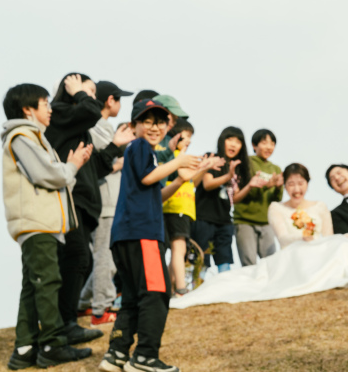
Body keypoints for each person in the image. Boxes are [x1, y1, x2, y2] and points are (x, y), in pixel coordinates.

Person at [170, 163, 348, 309]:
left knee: (340, 246)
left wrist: (326, 238)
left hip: (321, 248)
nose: (296, 188)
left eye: (301, 183)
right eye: (291, 184)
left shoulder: (320, 206)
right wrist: (304, 237)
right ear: (285, 186)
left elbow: (328, 236)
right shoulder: (276, 208)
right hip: (294, 251)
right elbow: (282, 239)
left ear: (308, 184)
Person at [98, 99, 203, 372]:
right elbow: (148, 178)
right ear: (134, 126)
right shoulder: (142, 147)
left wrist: (180, 179)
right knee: (156, 293)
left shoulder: (139, 151)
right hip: (142, 233)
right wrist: (179, 160)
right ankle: (145, 357)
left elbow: (155, 191)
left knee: (132, 296)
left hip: (125, 235)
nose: (154, 127)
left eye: (159, 121)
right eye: (147, 121)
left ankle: (116, 355)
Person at [1, 83, 93, 369]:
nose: (50, 108)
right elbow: (48, 176)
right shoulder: (21, 137)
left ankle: (25, 349)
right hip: (37, 224)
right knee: (48, 281)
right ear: (28, 109)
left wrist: (68, 168)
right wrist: (73, 165)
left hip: (41, 224)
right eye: (44, 103)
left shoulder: (33, 138)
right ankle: (53, 344)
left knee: (33, 285)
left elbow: (56, 179)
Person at [45, 73, 135, 344]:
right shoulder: (61, 113)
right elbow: (91, 110)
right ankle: (61, 327)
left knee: (79, 262)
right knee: (76, 260)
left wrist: (115, 146)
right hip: (69, 200)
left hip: (83, 203)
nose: (93, 97)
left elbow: (96, 166)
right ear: (71, 90)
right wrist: (77, 93)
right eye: (90, 90)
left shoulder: (77, 125)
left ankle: (65, 325)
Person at [78, 81, 133, 328]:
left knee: (104, 257)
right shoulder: (102, 129)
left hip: (103, 202)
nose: (120, 105)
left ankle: (83, 304)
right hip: (104, 202)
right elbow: (99, 164)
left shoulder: (96, 127)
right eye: (119, 99)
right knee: (105, 258)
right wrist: (119, 161)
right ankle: (100, 310)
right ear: (110, 100)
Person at [162, 119, 224, 296]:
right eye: (186, 136)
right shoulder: (173, 157)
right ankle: (181, 289)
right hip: (175, 208)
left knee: (178, 250)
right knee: (179, 248)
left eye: (190, 137)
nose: (189, 141)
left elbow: (193, 182)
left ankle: (170, 287)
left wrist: (204, 168)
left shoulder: (181, 159)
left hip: (184, 209)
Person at [192, 126, 266, 272]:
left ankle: (224, 294)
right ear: (222, 141)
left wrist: (249, 186)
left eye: (238, 141)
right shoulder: (212, 158)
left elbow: (235, 197)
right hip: (203, 218)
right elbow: (207, 184)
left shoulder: (237, 167)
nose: (233, 144)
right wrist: (227, 176)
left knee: (224, 260)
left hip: (224, 221)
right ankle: (196, 290)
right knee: (201, 261)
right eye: (230, 139)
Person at [234, 129, 284, 266]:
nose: (269, 147)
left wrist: (278, 187)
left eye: (272, 143)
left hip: (266, 222)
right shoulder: (247, 163)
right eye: (264, 142)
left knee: (271, 263)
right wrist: (267, 185)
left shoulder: (276, 168)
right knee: (249, 263)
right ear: (254, 145)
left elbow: (277, 200)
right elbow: (246, 192)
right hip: (244, 221)